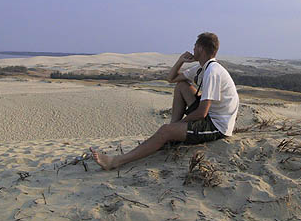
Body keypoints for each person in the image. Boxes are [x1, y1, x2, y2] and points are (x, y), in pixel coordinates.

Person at [91, 32, 239, 170]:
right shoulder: (203, 68)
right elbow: (171, 79)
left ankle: (115, 161)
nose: (193, 48)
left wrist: (179, 124)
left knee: (165, 131)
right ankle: (172, 133)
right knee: (181, 86)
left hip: (217, 126)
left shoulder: (213, 72)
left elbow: (202, 112)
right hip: (209, 116)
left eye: (195, 45)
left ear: (200, 48)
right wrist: (180, 61)